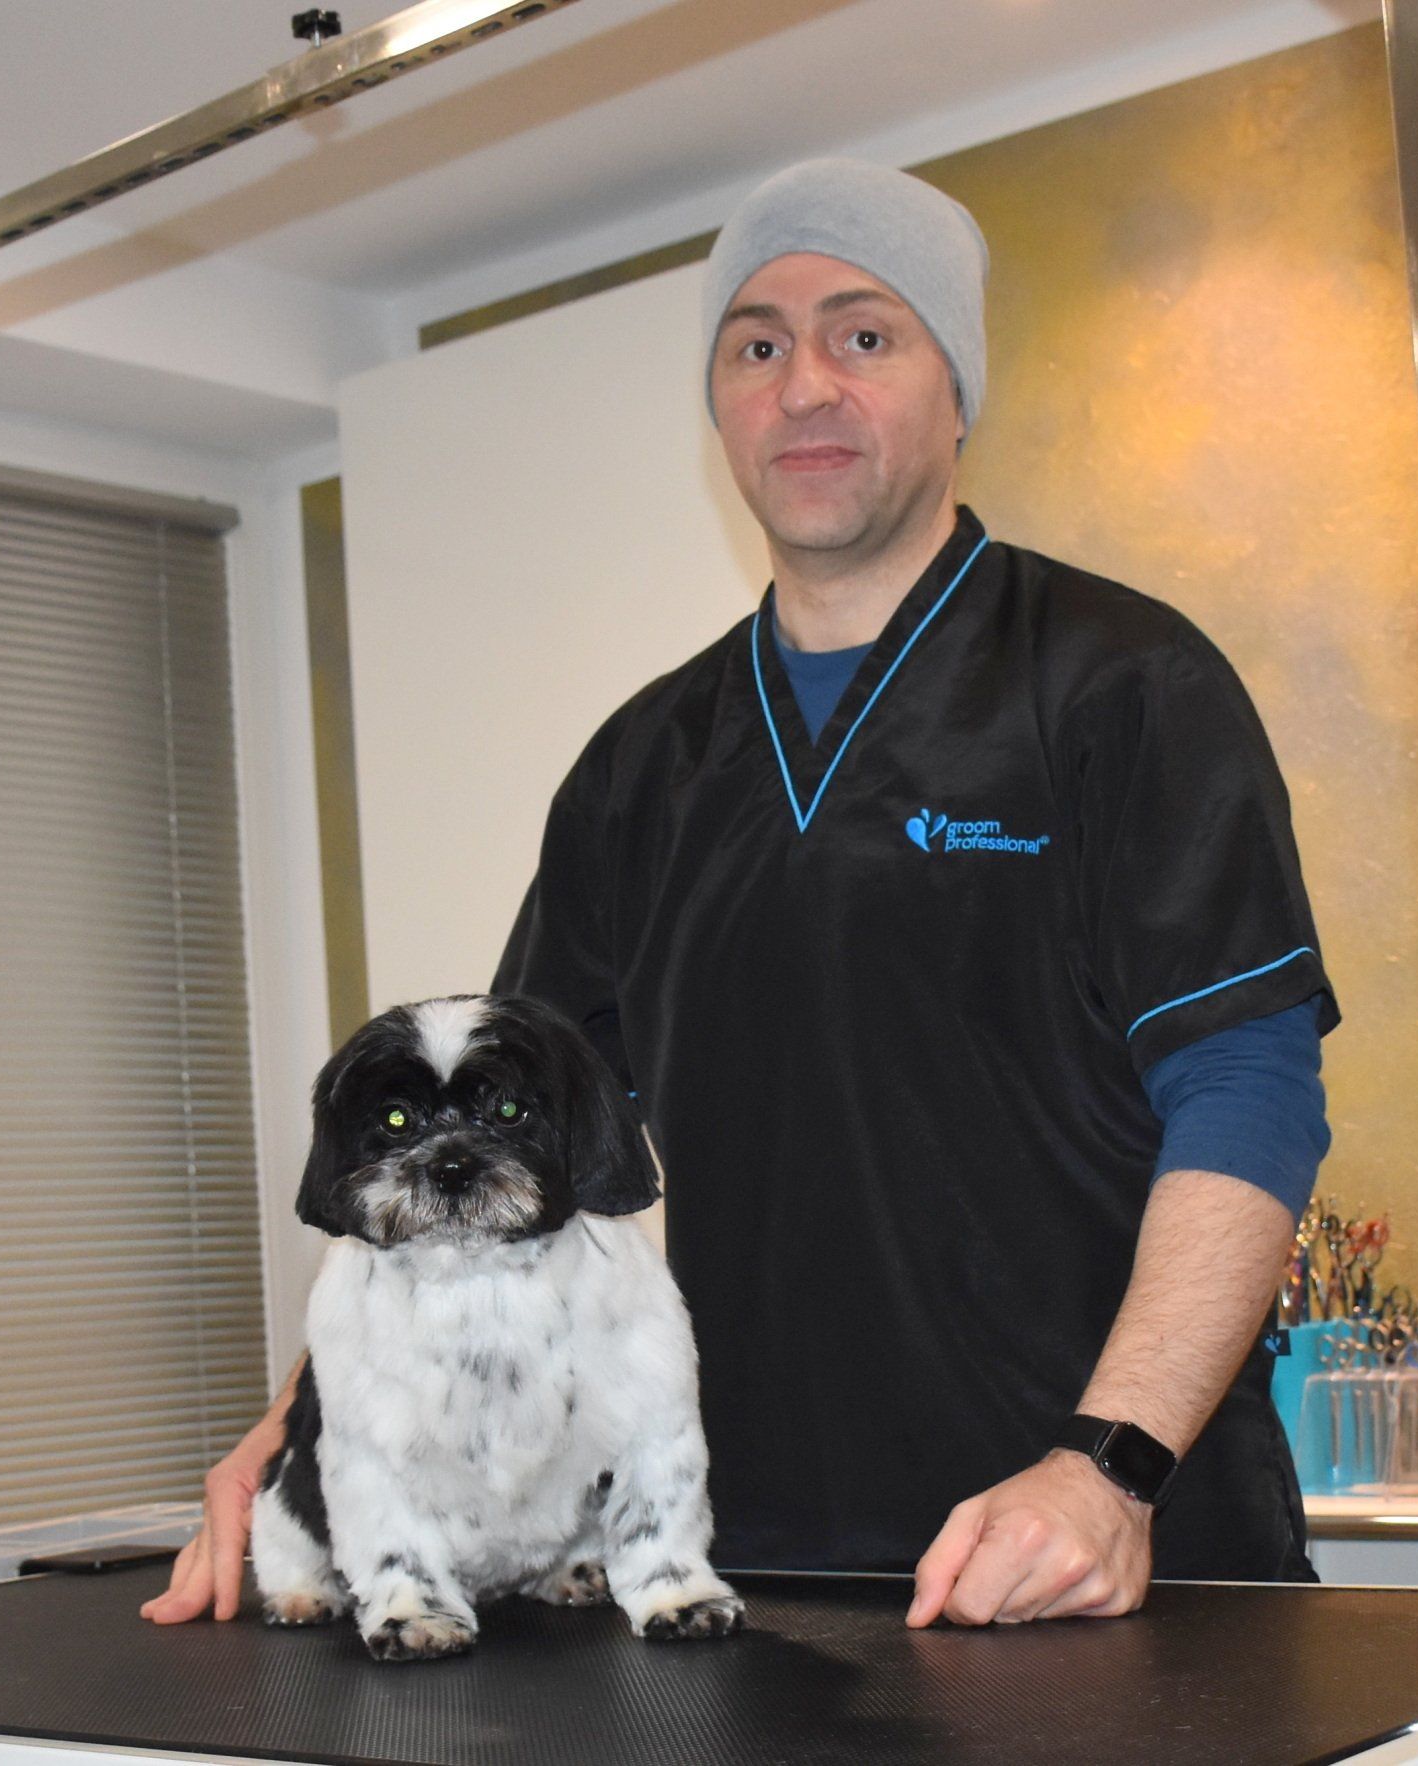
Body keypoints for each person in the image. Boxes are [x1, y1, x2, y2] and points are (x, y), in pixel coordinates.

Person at [145, 158, 1338, 1633]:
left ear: (958, 390)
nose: (805, 386)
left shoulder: (1123, 688)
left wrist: (1112, 1463)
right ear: (719, 410)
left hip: (1110, 1557)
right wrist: (295, 1437)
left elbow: (1249, 1087)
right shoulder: (641, 769)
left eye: (864, 335)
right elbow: (494, 1137)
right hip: (759, 1575)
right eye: (757, 347)